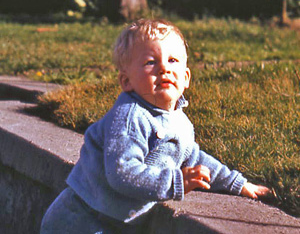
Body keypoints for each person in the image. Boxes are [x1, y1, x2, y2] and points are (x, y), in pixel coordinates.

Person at [40, 19, 271, 234]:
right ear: (126, 81)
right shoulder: (131, 116)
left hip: (111, 220)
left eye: (172, 60)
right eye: (151, 62)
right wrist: (175, 182)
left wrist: (236, 183)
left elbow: (193, 157)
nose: (164, 69)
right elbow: (122, 172)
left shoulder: (179, 121)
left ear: (187, 77)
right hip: (81, 219)